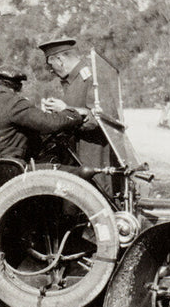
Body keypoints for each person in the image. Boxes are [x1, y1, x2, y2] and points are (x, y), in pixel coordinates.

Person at [0, 67, 82, 160]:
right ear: (19, 86)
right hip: (12, 167)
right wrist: (73, 114)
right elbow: (50, 123)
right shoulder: (16, 103)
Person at [38, 36, 113, 192]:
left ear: (60, 60)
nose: (51, 70)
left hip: (93, 155)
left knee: (98, 197)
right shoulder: (74, 81)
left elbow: (99, 119)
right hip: (79, 157)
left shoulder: (90, 77)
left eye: (51, 65)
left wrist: (65, 110)